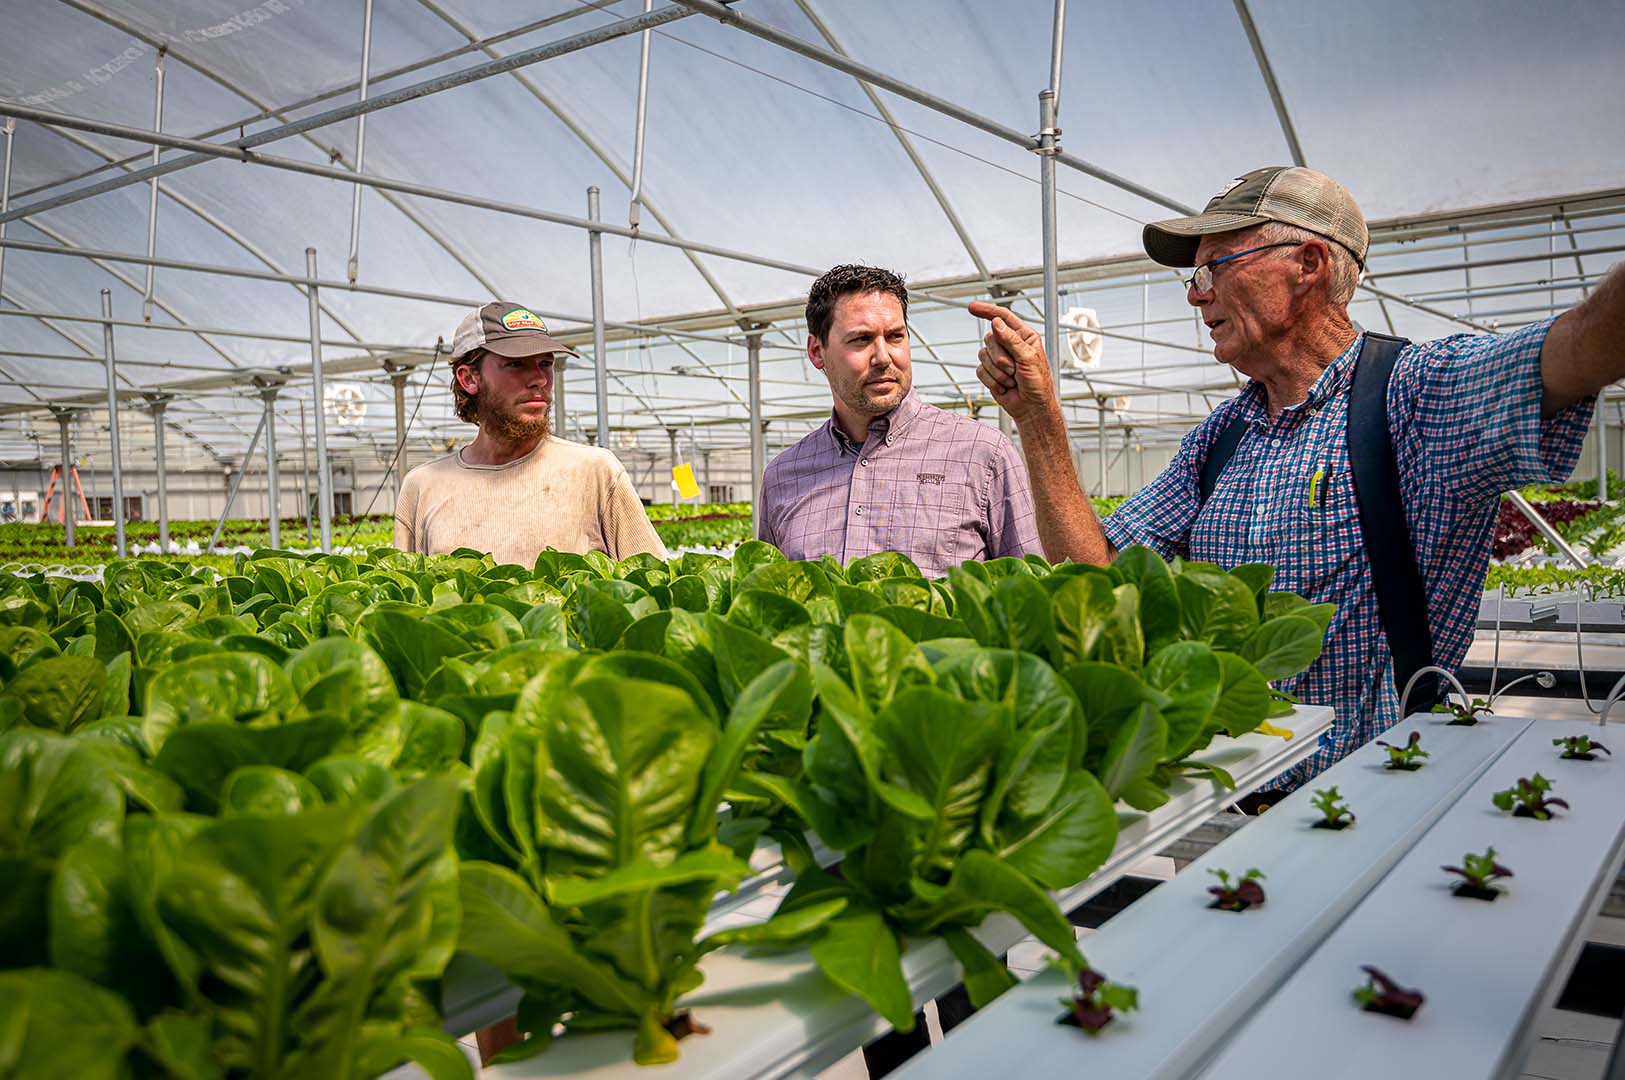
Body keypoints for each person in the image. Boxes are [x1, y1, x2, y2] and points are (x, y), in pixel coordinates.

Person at [975, 165, 1623, 797]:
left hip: (1381, 793)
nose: (1195, 293)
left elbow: (1585, 345)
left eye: (1214, 267)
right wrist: (1038, 418)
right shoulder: (1220, 435)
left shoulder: (1420, 396)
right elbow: (1096, 576)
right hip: (1221, 792)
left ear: (1307, 263)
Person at [758, 263, 1041, 577]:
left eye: (895, 337)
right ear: (816, 351)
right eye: (861, 340)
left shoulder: (984, 455)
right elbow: (770, 602)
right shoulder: (783, 476)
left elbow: (1032, 592)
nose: (883, 357)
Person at [394, 301, 666, 566]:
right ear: (469, 379)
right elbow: (411, 603)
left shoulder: (596, 471)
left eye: (545, 363)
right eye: (516, 364)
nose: (540, 379)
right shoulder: (422, 486)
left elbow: (655, 584)